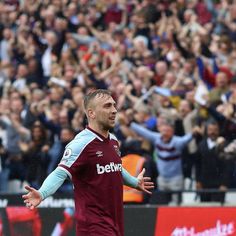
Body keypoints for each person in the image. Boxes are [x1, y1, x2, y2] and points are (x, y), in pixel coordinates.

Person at [22, 89, 154, 236]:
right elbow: (60, 173)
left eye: (114, 105)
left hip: (114, 224)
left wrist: (135, 183)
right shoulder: (81, 144)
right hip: (94, 227)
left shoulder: (113, 141)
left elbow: (116, 168)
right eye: (107, 106)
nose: (114, 110)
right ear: (91, 113)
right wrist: (42, 193)